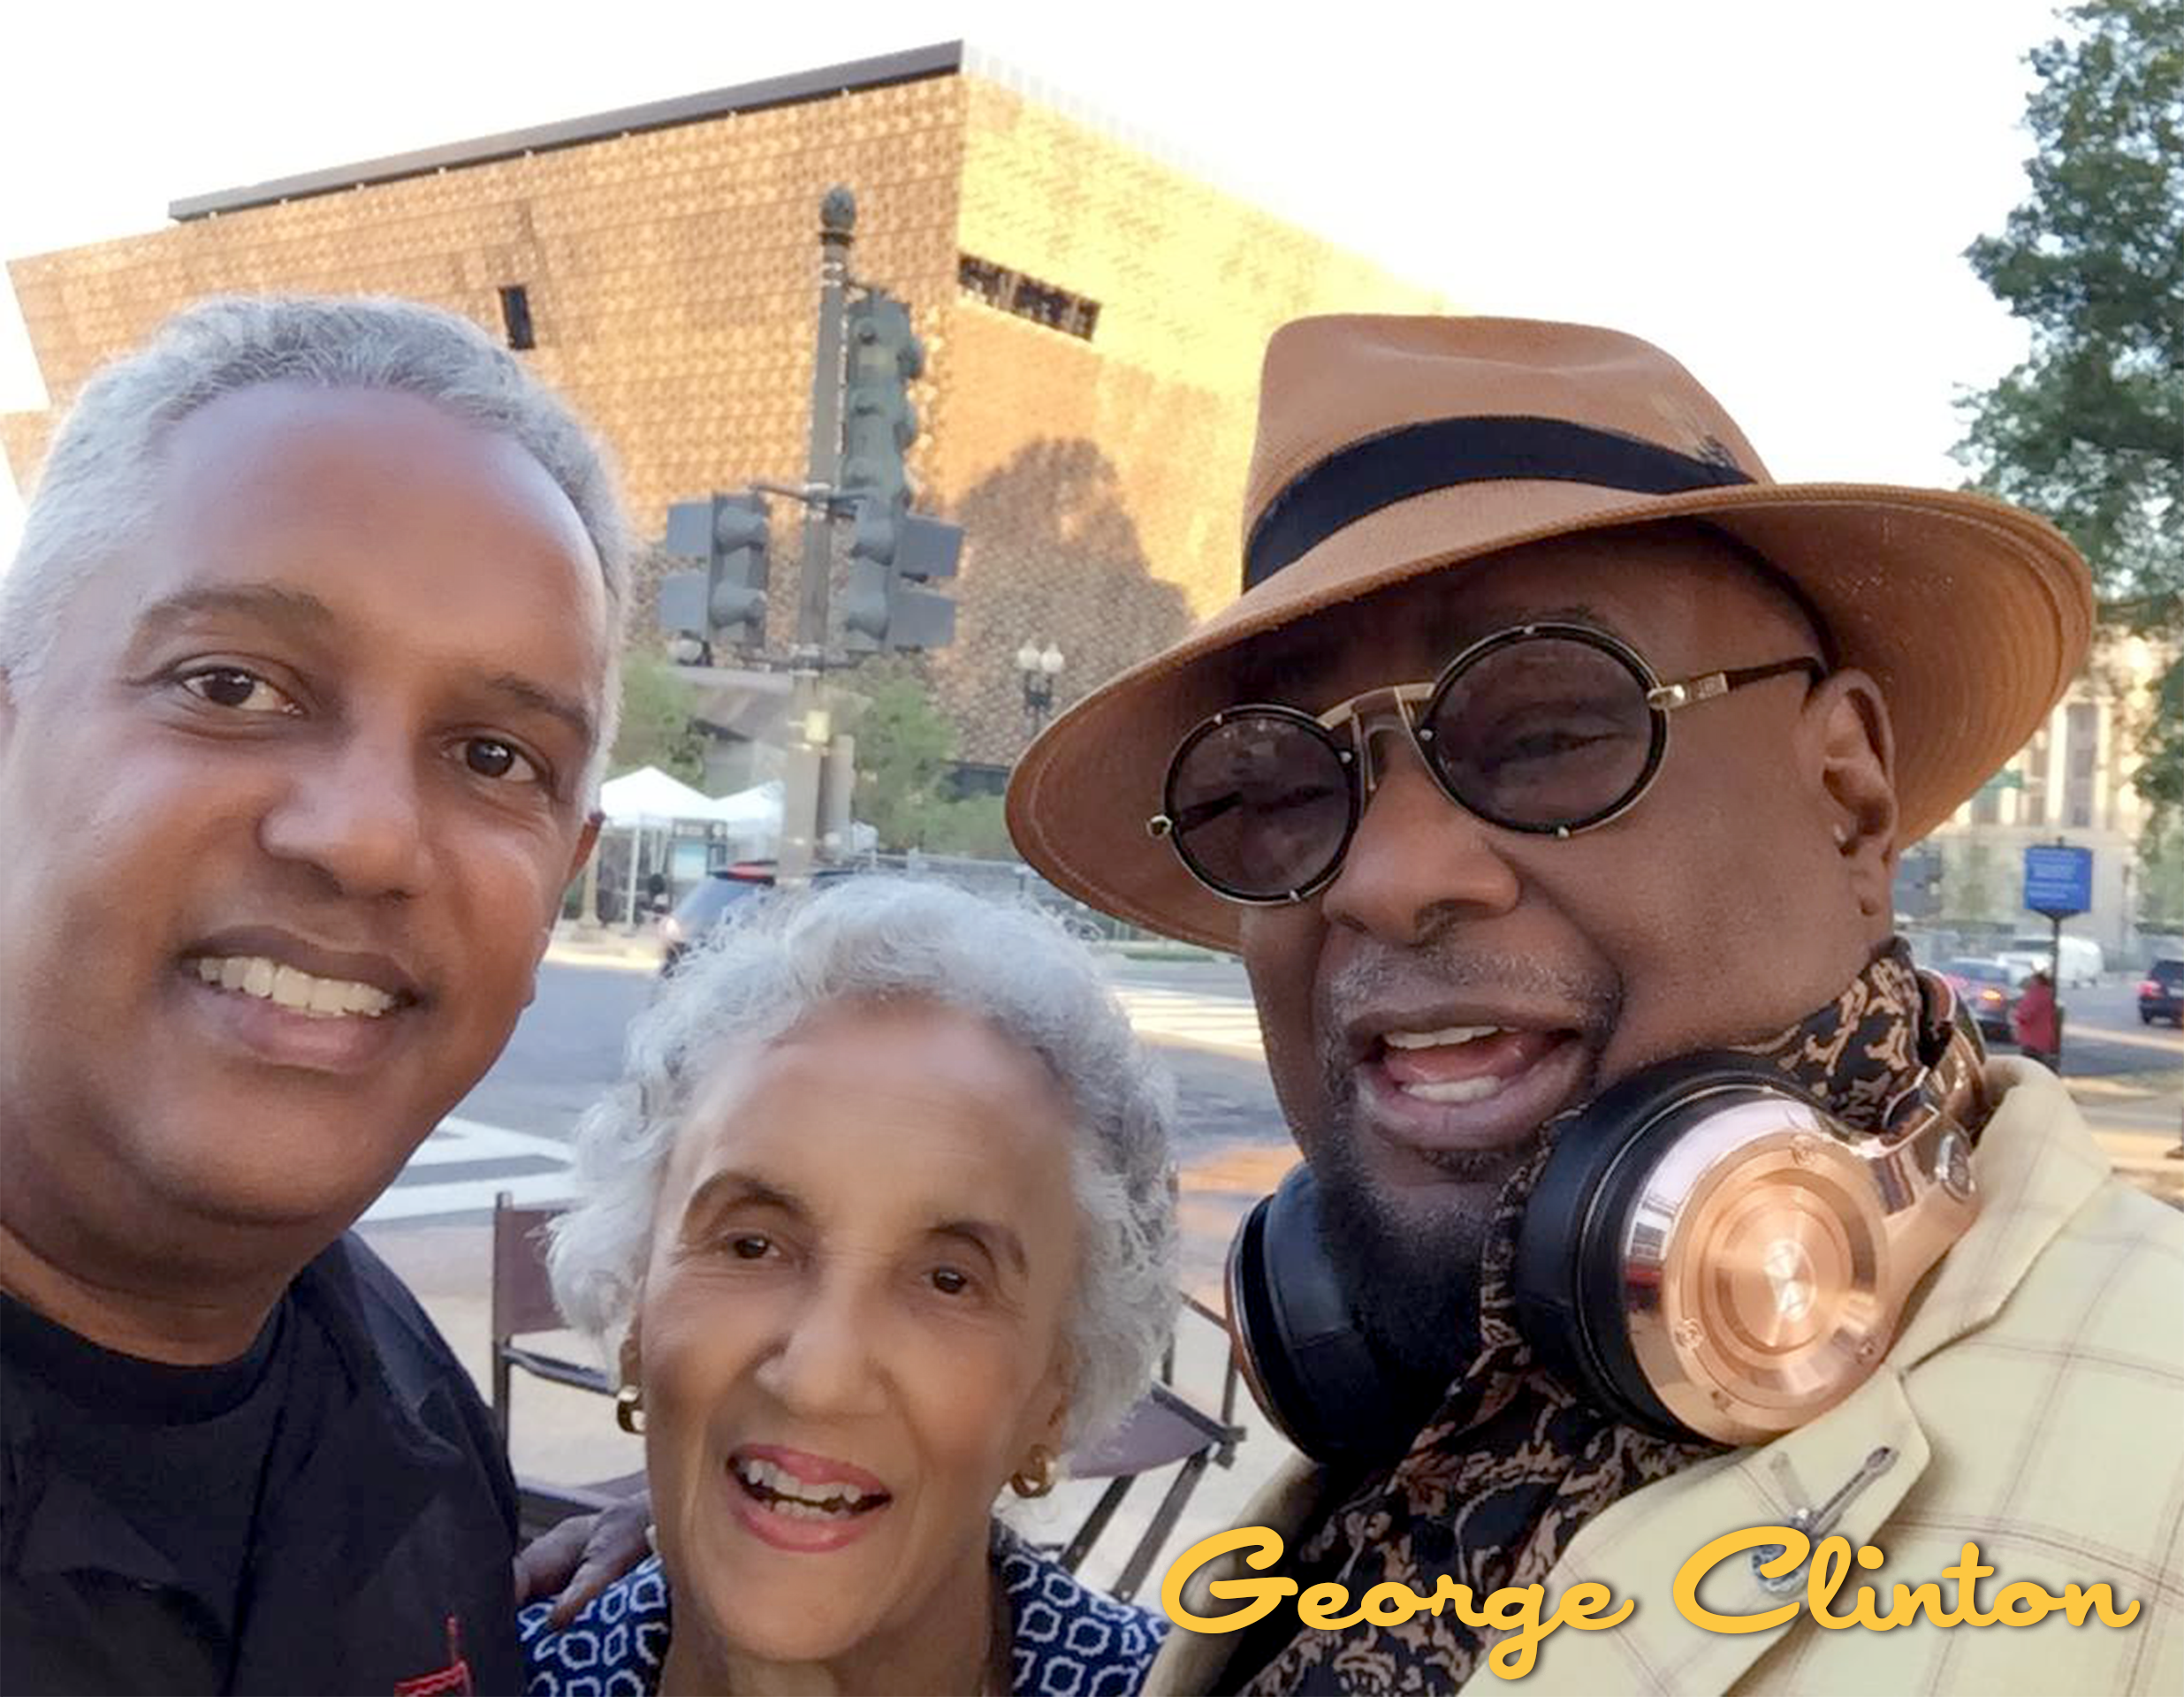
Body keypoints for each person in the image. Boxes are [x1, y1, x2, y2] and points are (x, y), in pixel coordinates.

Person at [1006, 316, 2184, 1692]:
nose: (1384, 880)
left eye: (1551, 731)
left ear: (1846, 798)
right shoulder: (1374, 1463)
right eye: (1272, 790)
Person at [0, 294, 643, 1693]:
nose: (364, 836)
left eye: (492, 759)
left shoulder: (401, 1396)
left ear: (561, 882)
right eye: (229, 684)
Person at [521, 878, 1179, 1695]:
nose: (817, 1379)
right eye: (753, 1245)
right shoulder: (468, 1669)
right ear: (635, 1301)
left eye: (949, 1281)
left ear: (1058, 1389)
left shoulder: (1194, 1686)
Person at [2013, 968, 2060, 1070]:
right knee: (2040, 1066)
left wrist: (2016, 1012)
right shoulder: (2049, 993)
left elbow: (2024, 1016)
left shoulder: (2035, 994)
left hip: (2032, 1039)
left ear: (2037, 981)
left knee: (2030, 1068)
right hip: (2044, 1038)